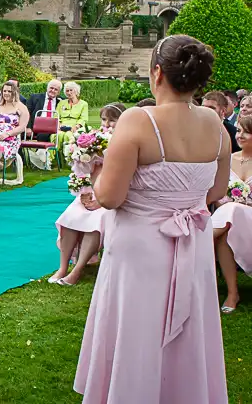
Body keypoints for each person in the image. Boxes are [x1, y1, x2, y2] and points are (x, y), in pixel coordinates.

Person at [74, 34, 229, 403]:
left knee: (137, 330)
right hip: (193, 247)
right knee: (189, 329)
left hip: (140, 250)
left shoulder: (138, 120)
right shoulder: (214, 123)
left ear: (157, 73)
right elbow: (215, 191)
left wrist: (93, 170)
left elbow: (110, 197)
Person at [50, 103, 126, 287]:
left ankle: (77, 270)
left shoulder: (125, 143)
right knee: (71, 216)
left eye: (112, 120)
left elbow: (124, 178)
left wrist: (102, 201)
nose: (107, 124)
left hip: (110, 198)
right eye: (104, 119)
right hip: (90, 193)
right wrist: (83, 192)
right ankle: (62, 267)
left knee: (94, 223)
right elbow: (81, 170)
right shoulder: (95, 139)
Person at [211, 114, 252, 314]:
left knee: (232, 210)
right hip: (228, 220)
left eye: (247, 131)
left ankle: (200, 240)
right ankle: (232, 293)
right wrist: (224, 200)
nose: (240, 135)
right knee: (226, 228)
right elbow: (217, 193)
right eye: (238, 130)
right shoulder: (229, 159)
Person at [54, 81, 89, 153]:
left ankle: (67, 158)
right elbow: (56, 115)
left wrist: (77, 126)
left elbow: (84, 118)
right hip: (61, 126)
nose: (69, 92)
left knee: (68, 136)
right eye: (67, 91)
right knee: (58, 136)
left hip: (75, 126)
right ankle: (55, 159)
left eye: (71, 90)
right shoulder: (61, 103)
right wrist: (59, 124)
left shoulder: (83, 104)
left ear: (76, 91)